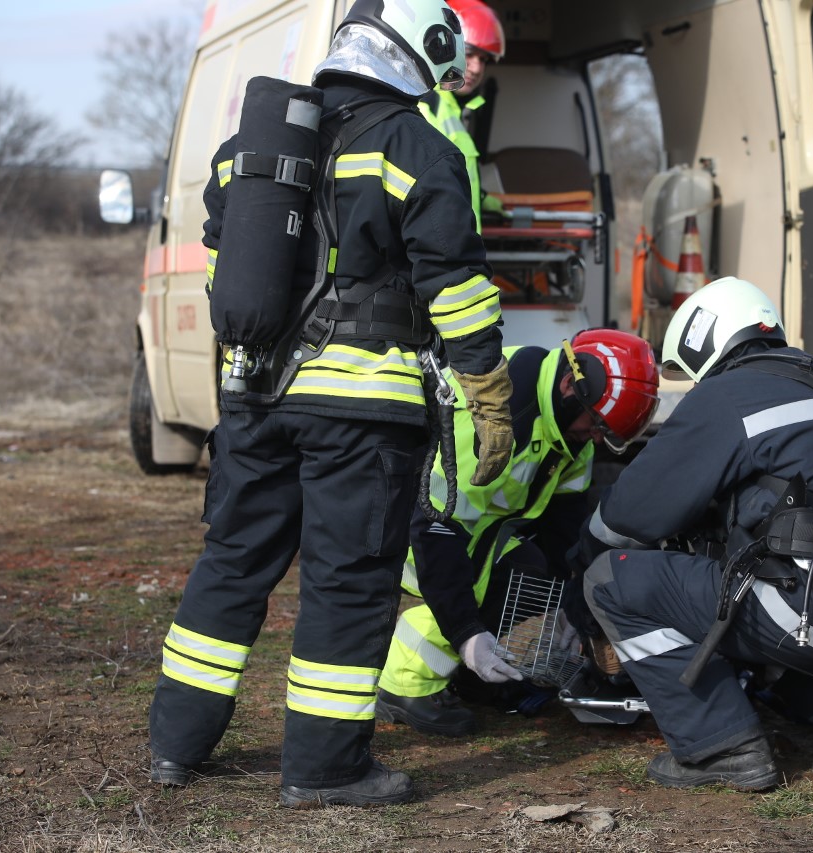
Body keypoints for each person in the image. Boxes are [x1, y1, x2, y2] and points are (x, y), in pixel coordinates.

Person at [147, 0, 514, 809]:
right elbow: (454, 289)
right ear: (423, 49)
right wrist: (488, 394)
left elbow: (224, 254)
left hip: (257, 398)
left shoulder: (255, 143)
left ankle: (175, 746)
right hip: (362, 413)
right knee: (348, 585)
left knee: (232, 563)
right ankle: (325, 766)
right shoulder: (417, 143)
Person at [574, 276, 813, 790]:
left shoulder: (729, 393)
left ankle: (722, 748)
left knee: (611, 581)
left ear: (707, 342)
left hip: (808, 613)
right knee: (770, 582)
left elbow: (629, 515)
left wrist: (578, 567)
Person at [375, 329, 660, 735]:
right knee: (471, 583)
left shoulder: (569, 433)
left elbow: (565, 524)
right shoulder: (496, 420)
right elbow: (435, 529)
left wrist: (574, 604)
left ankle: (469, 679)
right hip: (405, 519)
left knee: (530, 569)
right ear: (569, 386)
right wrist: (466, 633)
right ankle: (406, 684)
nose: (596, 436)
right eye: (596, 423)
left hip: (470, 529)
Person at [419, 0, 504, 230]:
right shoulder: (424, 105)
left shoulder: (457, 111)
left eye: (484, 59)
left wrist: (482, 199)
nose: (476, 68)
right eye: (469, 54)